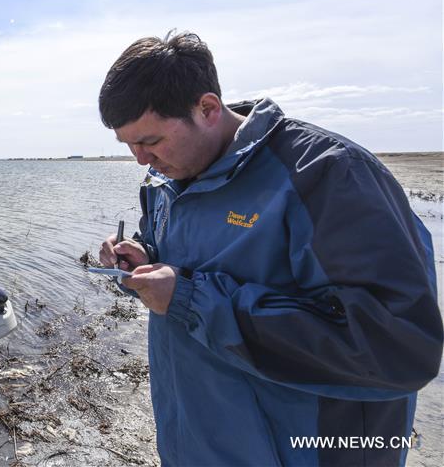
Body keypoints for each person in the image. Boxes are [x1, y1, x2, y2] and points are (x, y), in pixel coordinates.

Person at [97, 31, 443, 466]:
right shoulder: (167, 180)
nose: (140, 159)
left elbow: (397, 348)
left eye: (149, 141)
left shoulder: (327, 174)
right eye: (128, 145)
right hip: (200, 441)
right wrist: (144, 261)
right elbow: (187, 269)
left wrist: (189, 298)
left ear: (206, 109)